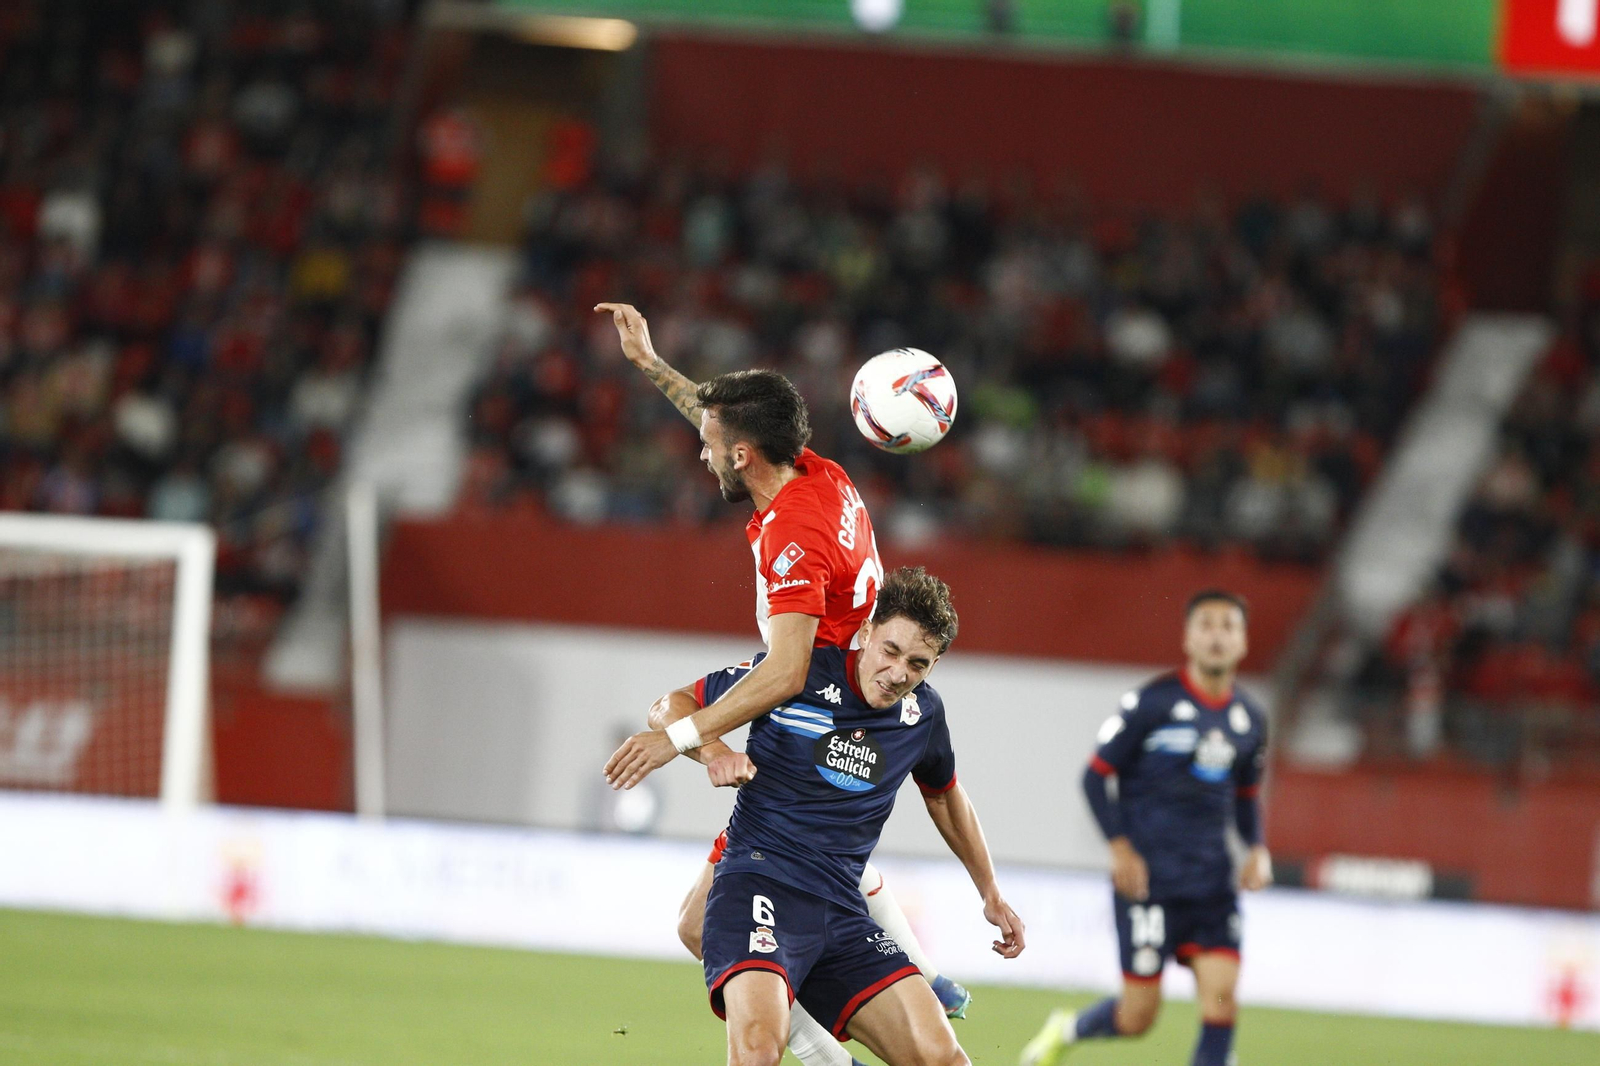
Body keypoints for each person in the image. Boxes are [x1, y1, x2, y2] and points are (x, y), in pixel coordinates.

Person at [595, 303, 971, 1066]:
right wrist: (651, 364)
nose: (701, 456)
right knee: (707, 920)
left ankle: (862, 1026)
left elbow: (788, 670)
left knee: (719, 916)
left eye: (710, 448)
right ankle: (918, 975)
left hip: (824, 707)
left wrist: (684, 741)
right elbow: (729, 418)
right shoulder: (816, 472)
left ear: (743, 458)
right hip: (842, 713)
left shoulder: (793, 538)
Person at [615, 566, 1024, 1066]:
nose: (899, 674)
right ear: (867, 631)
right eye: (891, 651)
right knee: (758, 1049)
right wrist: (714, 749)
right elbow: (669, 705)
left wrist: (990, 891)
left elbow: (944, 797)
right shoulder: (797, 671)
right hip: (759, 883)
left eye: (918, 664)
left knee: (944, 1059)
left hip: (841, 910)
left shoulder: (923, 716)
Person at [1020, 589, 1272, 1066]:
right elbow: (1095, 777)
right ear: (1188, 638)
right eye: (1207, 625)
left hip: (1212, 884)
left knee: (1222, 1001)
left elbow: (1245, 798)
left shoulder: (1250, 720)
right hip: (1149, 882)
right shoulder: (1151, 703)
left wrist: (1257, 849)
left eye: (1228, 626)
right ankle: (1067, 1029)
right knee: (1138, 1017)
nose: (1217, 636)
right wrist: (1120, 848)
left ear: (1243, 642)